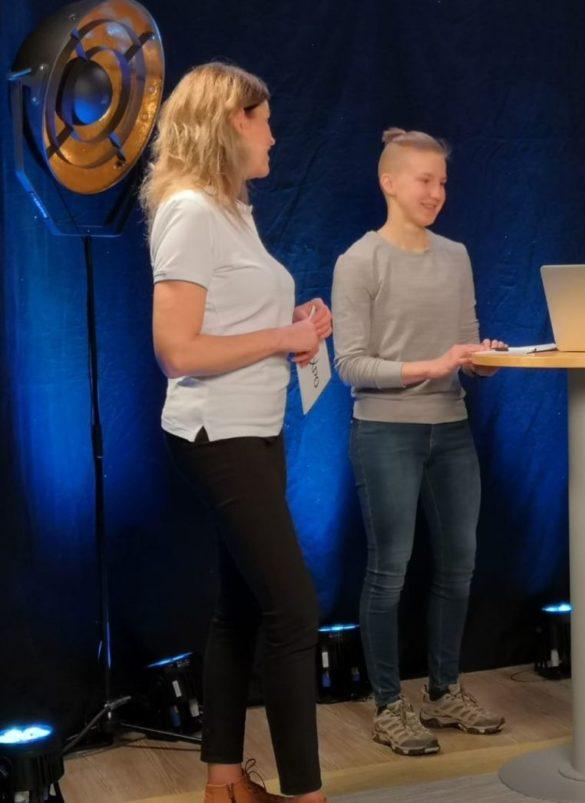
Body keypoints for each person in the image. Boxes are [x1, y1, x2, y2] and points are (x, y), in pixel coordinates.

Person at [144, 62, 330, 803]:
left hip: (256, 427)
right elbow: (178, 350)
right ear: (230, 124)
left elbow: (240, 321)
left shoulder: (232, 210)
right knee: (295, 607)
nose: (274, 137)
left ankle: (225, 782)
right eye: (264, 121)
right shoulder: (188, 210)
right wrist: (281, 337)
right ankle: (305, 794)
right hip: (214, 432)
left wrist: (298, 328)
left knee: (245, 606)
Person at [331, 128, 507, 756]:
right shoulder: (359, 262)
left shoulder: (455, 255)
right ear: (389, 183)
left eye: (442, 182)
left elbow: (465, 342)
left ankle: (444, 690)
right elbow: (350, 365)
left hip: (452, 429)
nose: (437, 192)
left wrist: (482, 360)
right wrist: (432, 366)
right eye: (424, 180)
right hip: (385, 433)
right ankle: (387, 705)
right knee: (389, 570)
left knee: (459, 565)